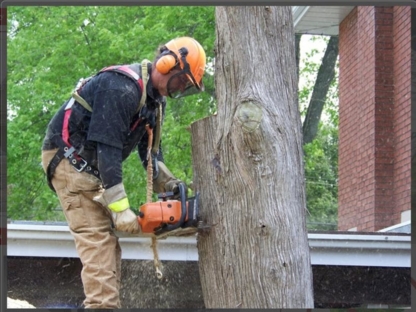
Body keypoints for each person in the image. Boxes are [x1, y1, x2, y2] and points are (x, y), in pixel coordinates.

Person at [41, 36, 206, 309]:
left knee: (108, 246)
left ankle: (106, 304)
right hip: (69, 161)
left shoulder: (152, 102)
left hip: (91, 167)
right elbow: (109, 148)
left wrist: (170, 183)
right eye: (180, 82)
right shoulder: (121, 88)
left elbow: (151, 152)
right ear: (166, 64)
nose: (178, 89)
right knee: (98, 241)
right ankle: (102, 306)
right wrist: (120, 208)